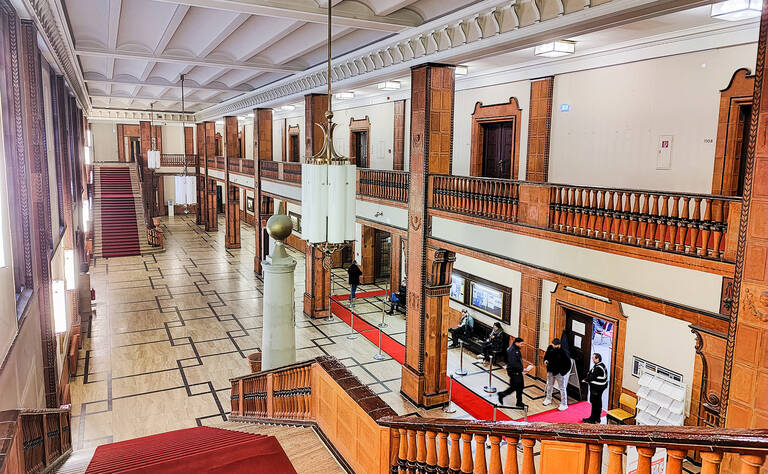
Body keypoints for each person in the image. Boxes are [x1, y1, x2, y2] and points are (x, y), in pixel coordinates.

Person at [498, 337, 530, 408]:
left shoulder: (515, 349)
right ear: (517, 343)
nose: (522, 345)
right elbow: (513, 363)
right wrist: (522, 369)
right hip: (514, 372)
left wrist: (521, 369)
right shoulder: (513, 350)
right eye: (521, 344)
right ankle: (502, 394)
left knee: (520, 387)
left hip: (516, 371)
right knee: (515, 387)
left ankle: (519, 402)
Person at [543, 338, 570, 411]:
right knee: (549, 385)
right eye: (553, 344)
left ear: (559, 345)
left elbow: (568, 364)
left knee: (562, 388)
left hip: (559, 372)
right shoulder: (550, 348)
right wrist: (545, 360)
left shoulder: (564, 352)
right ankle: (548, 399)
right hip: (550, 370)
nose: (553, 346)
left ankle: (564, 404)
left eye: (555, 345)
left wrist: (562, 373)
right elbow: (546, 356)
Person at [582, 353, 608, 424]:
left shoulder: (598, 368)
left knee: (595, 403)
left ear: (597, 359)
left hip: (597, 388)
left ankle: (592, 419)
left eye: (593, 358)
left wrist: (585, 380)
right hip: (600, 388)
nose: (592, 359)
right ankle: (597, 418)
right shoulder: (601, 365)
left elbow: (592, 376)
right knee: (598, 403)